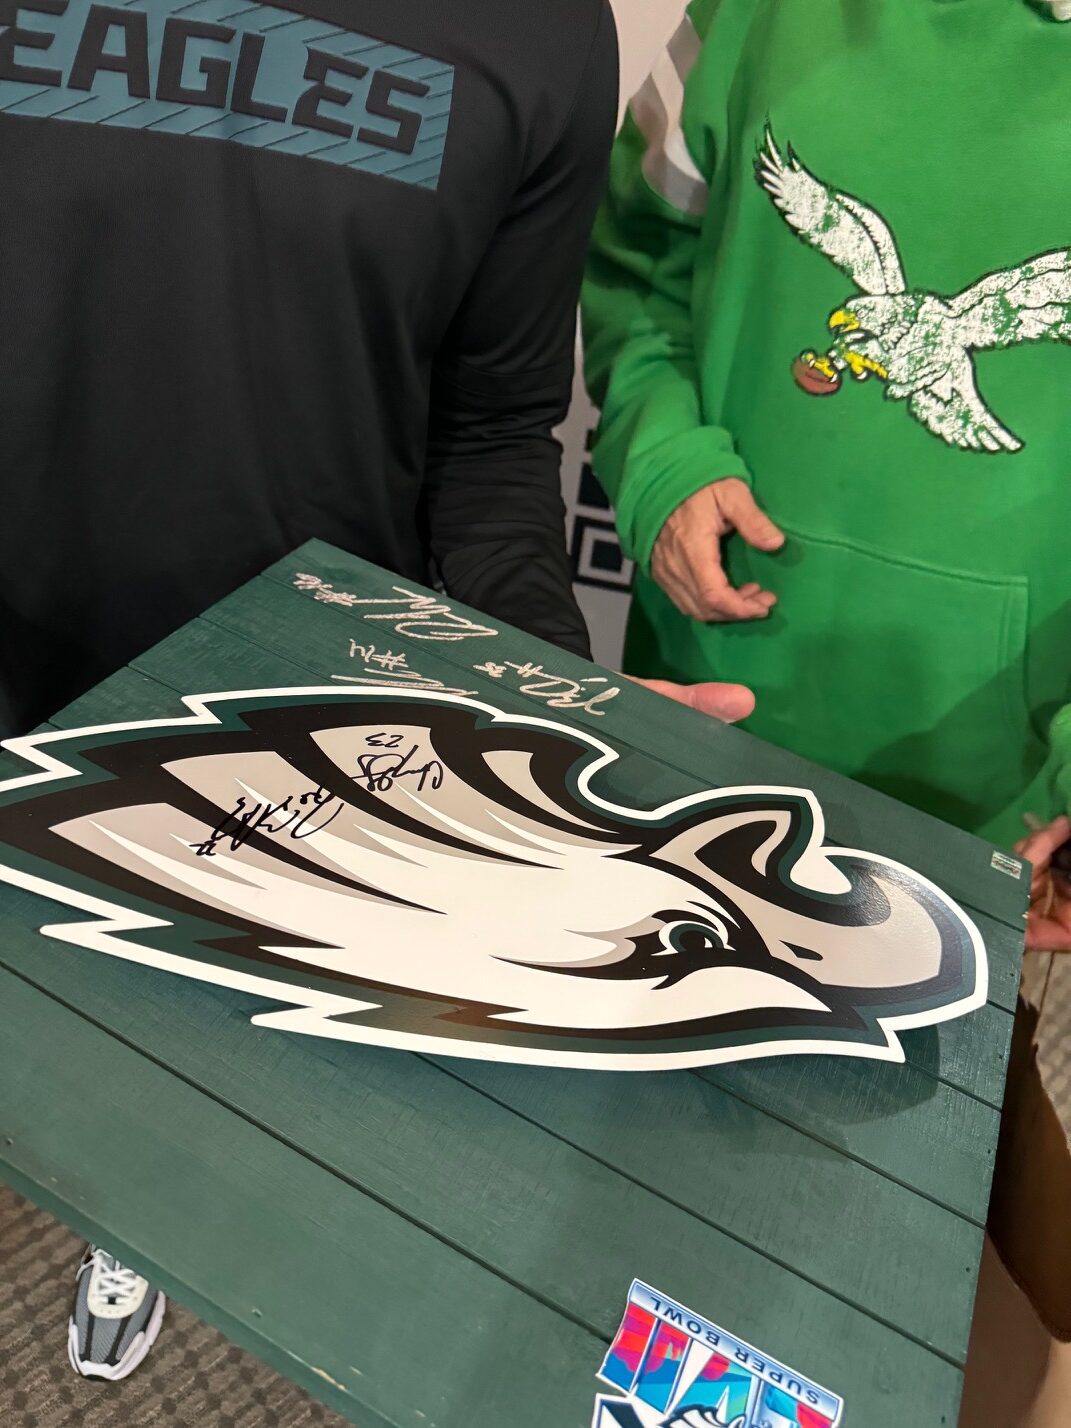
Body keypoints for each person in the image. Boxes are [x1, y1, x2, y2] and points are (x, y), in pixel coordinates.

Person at [0, 0, 752, 1381]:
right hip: (19, 654)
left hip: (292, 717)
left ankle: (129, 1203)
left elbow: (491, 429)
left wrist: (556, 709)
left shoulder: (543, 34)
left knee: (174, 1048)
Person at [581, 1, 1071, 1422]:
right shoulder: (748, 11)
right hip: (710, 712)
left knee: (899, 1198)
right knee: (653, 1154)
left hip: (993, 792)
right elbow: (633, 268)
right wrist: (665, 463)